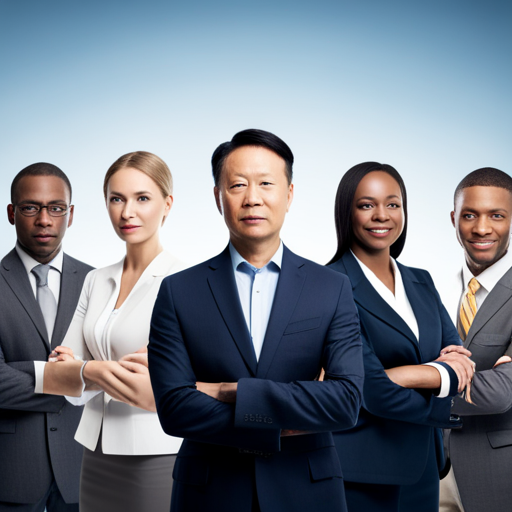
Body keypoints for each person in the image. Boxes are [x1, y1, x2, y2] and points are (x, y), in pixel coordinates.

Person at [148, 128, 365, 512]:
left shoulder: (331, 288)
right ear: (218, 197)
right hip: (210, 493)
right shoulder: (178, 291)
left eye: (266, 183)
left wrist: (232, 391)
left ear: (289, 194)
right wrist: (282, 420)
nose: (253, 198)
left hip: (308, 491)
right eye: (237, 185)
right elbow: (175, 407)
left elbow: (345, 401)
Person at [40, 151, 185, 512]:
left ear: (167, 204)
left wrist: (82, 370)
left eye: (142, 198)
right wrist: (93, 371)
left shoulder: (185, 282)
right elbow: (58, 377)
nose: (126, 212)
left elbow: (168, 384)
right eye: (116, 199)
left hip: (154, 453)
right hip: (93, 450)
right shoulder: (96, 279)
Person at [327, 162, 476, 512]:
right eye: (367, 205)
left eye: (393, 204)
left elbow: (461, 361)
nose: (382, 215)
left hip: (424, 468)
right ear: (346, 212)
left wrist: (405, 375)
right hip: (362, 472)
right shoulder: (328, 285)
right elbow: (371, 391)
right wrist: (437, 374)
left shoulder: (421, 281)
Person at [0, 163, 93, 511]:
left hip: (84, 468)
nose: (44, 219)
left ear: (71, 214)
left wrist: (20, 369)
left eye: (56, 208)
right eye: (30, 208)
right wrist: (76, 380)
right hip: (12, 470)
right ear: (12, 213)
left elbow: (110, 369)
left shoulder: (98, 282)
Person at [438, 168, 512, 512]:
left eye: (496, 215)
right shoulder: (435, 288)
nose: (482, 228)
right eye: (470, 215)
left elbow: (501, 392)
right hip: (433, 471)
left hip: (497, 474)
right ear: (454, 218)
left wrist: (402, 382)